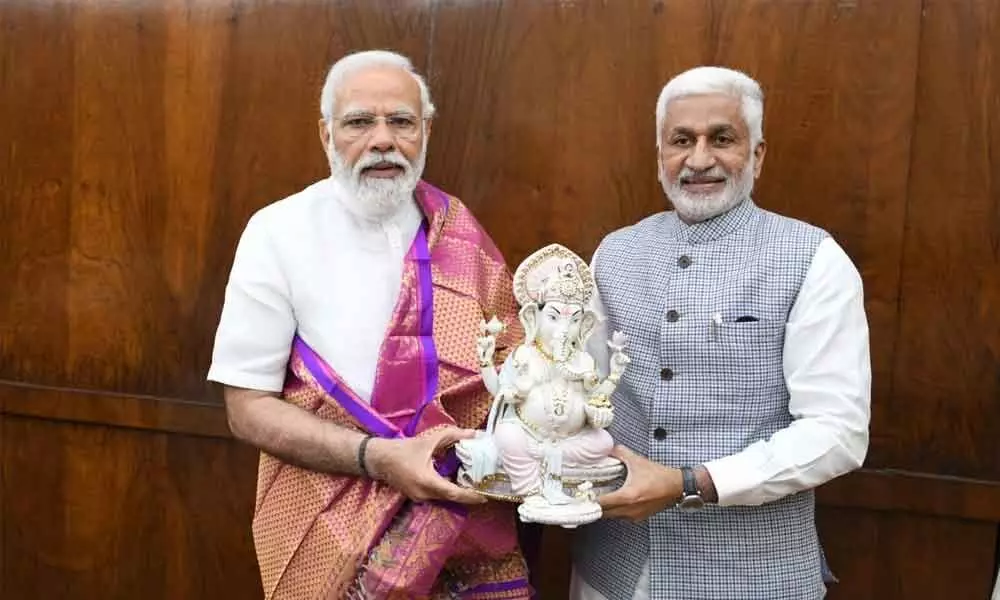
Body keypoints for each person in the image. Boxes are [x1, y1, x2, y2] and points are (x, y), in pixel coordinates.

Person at [207, 49, 531, 599]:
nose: (383, 140)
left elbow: (515, 371)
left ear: (425, 131)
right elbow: (246, 408)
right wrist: (379, 459)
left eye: (401, 122)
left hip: (464, 526)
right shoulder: (277, 232)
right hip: (332, 529)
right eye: (360, 122)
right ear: (326, 134)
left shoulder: (460, 232)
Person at [570, 66, 872, 599]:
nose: (700, 159)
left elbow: (838, 431)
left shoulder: (813, 259)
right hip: (611, 571)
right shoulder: (614, 253)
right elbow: (582, 392)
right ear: (660, 154)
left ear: (757, 155)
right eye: (681, 140)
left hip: (751, 576)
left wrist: (691, 483)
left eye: (723, 139)